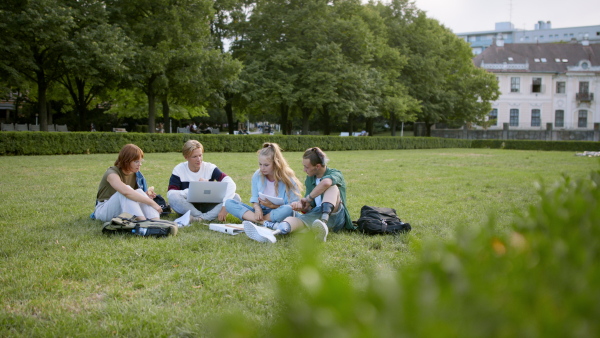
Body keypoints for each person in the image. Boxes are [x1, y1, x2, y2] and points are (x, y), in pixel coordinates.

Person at [243, 147, 354, 243]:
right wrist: (303, 206)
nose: (304, 169)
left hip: (336, 216)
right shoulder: (310, 179)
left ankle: (323, 223)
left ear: (318, 166)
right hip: (316, 216)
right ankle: (273, 232)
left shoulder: (335, 174)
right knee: (292, 220)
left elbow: (326, 183)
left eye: (306, 167)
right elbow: (309, 207)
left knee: (332, 187)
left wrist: (308, 198)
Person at [225, 143, 303, 224]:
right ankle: (265, 222)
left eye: (266, 165)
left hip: (279, 212)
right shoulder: (257, 175)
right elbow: (255, 198)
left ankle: (259, 221)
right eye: (260, 164)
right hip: (261, 212)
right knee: (229, 203)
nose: (262, 168)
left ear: (276, 164)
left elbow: (292, 206)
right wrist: (257, 209)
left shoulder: (288, 179)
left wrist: (272, 206)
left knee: (288, 209)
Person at [167, 140, 239, 222]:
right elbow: (172, 194)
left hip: (208, 204)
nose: (199, 159)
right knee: (173, 197)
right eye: (194, 157)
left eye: (200, 155)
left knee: (235, 197)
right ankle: (205, 217)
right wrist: (195, 189)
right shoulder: (179, 169)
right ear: (186, 157)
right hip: (188, 206)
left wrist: (224, 206)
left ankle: (200, 219)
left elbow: (231, 184)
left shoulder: (210, 167)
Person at [92, 144, 162, 222]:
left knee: (138, 191)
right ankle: (143, 223)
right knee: (126, 191)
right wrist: (153, 203)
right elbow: (126, 192)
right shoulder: (111, 173)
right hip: (104, 211)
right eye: (136, 161)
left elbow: (134, 197)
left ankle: (156, 222)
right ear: (126, 161)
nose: (140, 164)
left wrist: (146, 195)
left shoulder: (137, 175)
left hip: (124, 209)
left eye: (140, 161)